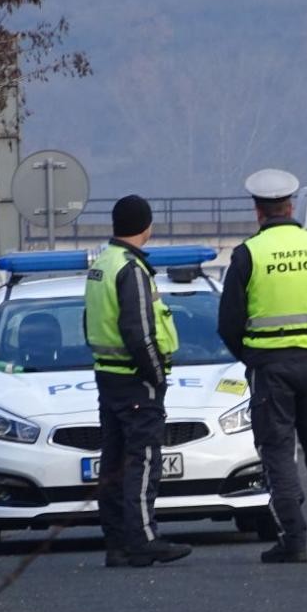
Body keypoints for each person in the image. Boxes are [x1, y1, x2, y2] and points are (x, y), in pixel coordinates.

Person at [218, 169, 307, 563]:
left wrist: (253, 359)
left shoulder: (248, 254)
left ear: (258, 211)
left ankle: (293, 541)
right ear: (291, 206)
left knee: (278, 454)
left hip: (271, 370)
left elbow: (228, 323)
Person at [84, 194, 193, 568]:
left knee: (114, 460)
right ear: (146, 227)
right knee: (143, 460)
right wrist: (156, 374)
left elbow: (92, 322)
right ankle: (144, 539)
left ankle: (117, 542)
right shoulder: (130, 269)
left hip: (108, 377)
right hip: (135, 379)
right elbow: (139, 330)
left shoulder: (102, 263)